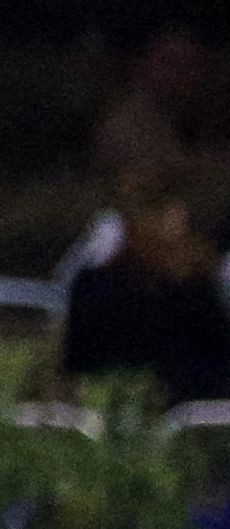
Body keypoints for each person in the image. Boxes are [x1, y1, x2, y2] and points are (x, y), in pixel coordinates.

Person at [62, 170, 230, 404]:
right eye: (145, 210)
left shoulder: (196, 287)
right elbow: (78, 371)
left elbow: (217, 369)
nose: (159, 225)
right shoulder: (94, 286)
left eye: (163, 209)